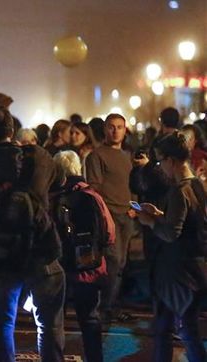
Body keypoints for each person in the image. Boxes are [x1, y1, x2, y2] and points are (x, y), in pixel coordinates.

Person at [0, 105, 64, 362]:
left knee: (3, 323)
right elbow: (59, 182)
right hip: (41, 248)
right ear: (12, 129)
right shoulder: (40, 157)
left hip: (1, 252)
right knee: (48, 323)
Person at [134, 132, 206, 362]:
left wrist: (150, 221)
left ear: (171, 161)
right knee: (174, 327)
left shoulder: (179, 190)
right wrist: (162, 214)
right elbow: (188, 222)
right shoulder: (197, 185)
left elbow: (171, 234)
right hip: (195, 268)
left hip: (178, 273)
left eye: (159, 160)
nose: (159, 166)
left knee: (183, 331)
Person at [51, 151, 114, 362]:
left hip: (59, 270)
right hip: (90, 269)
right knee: (90, 319)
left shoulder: (52, 198)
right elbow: (109, 233)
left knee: (53, 322)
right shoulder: (92, 196)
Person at [85, 113, 135, 322]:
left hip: (127, 215)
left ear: (125, 130)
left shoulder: (127, 156)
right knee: (113, 262)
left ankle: (111, 305)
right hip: (110, 216)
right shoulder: (96, 156)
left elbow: (131, 185)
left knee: (121, 263)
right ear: (105, 129)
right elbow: (95, 189)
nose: (115, 131)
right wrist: (105, 214)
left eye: (120, 127)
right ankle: (105, 307)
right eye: (111, 127)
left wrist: (135, 207)